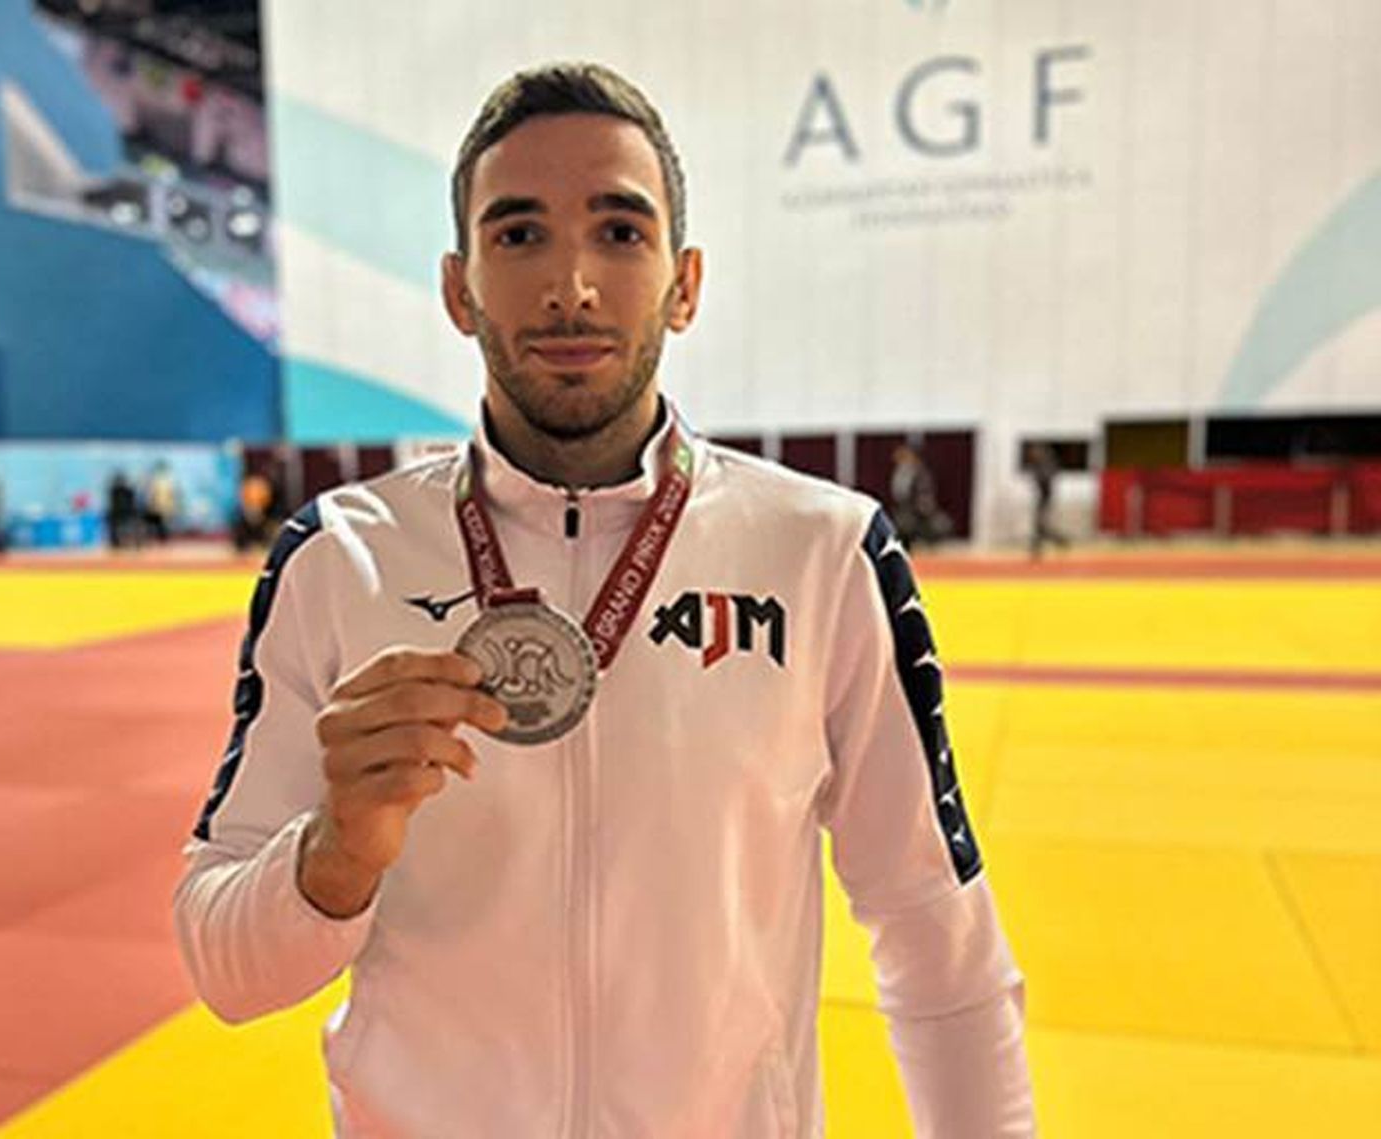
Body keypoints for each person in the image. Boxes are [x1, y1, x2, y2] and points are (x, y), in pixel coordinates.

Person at [175, 63, 1034, 1138]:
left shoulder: (823, 551)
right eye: (519, 234)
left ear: (684, 282)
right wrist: (334, 852)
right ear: (459, 286)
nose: (571, 285)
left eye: (620, 233)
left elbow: (933, 930)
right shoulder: (338, 558)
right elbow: (224, 964)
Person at [1025, 443, 1069, 559]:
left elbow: (1046, 481)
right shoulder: (1038, 466)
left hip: (1045, 498)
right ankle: (1042, 546)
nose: (1032, 454)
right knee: (1039, 526)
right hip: (1042, 498)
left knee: (1040, 525)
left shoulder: (1045, 466)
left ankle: (1057, 541)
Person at [142, 461, 179, 546]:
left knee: (160, 526)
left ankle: (161, 541)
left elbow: (152, 494)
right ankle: (161, 541)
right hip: (162, 507)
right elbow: (172, 495)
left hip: (160, 507)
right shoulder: (168, 480)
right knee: (161, 526)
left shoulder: (159, 480)